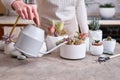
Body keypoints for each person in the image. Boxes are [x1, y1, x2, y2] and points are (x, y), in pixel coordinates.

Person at [1, 0, 89, 36]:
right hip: (45, 34)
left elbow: (80, 5)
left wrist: (85, 32)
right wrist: (14, 2)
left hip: (70, 34)